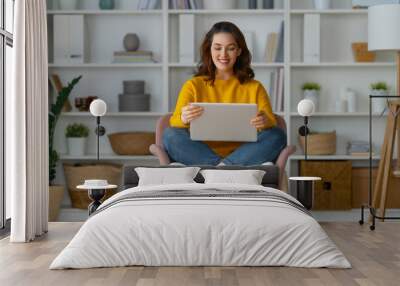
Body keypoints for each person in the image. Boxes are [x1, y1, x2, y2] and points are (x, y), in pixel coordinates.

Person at [163, 21, 286, 166]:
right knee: (170, 135)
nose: (223, 54)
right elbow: (174, 122)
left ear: (239, 51)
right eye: (217, 48)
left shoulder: (255, 87)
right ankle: (225, 168)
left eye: (230, 48)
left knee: (277, 135)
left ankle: (221, 168)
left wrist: (264, 121)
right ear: (209, 50)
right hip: (200, 151)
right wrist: (184, 118)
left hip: (244, 152)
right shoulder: (193, 85)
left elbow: (270, 121)